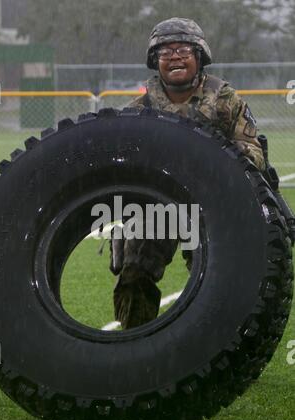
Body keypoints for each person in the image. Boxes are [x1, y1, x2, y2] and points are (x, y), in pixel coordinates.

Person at [110, 17, 265, 330]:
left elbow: (254, 154)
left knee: (214, 277)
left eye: (182, 49)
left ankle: (216, 347)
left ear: (199, 55)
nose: (175, 57)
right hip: (156, 205)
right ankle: (134, 346)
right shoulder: (139, 109)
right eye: (165, 52)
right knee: (134, 270)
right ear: (155, 61)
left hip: (213, 205)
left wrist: (215, 161)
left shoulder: (224, 101)